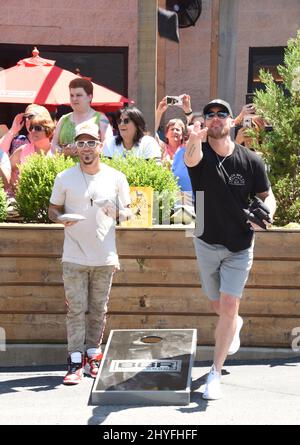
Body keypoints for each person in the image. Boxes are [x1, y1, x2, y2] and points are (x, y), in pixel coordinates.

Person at [184, 99, 276, 400]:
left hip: (239, 244)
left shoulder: (251, 160)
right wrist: (193, 138)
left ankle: (214, 372)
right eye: (209, 115)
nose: (214, 118)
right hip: (205, 239)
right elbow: (191, 159)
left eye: (220, 114)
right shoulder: (199, 153)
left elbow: (267, 195)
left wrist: (268, 214)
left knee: (228, 305)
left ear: (229, 120)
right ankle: (234, 324)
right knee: (218, 307)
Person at [48, 121, 131, 385]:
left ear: (100, 145)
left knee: (98, 308)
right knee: (75, 309)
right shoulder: (65, 177)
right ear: (76, 147)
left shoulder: (116, 177)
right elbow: (53, 209)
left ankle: (93, 354)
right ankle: (74, 360)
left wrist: (115, 211)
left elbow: (129, 213)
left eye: (91, 143)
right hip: (73, 255)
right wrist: (61, 219)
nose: (86, 148)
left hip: (105, 256)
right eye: (81, 143)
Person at [51, 78, 113, 156]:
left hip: (91, 167)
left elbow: (109, 146)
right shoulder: (64, 119)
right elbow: (53, 145)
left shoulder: (101, 119)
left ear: (90, 97)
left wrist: (85, 150)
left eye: (79, 95)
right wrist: (63, 152)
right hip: (64, 166)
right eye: (72, 95)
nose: (74, 99)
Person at [9, 110, 55, 196]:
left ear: (48, 130)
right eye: (31, 128)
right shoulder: (23, 150)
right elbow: (7, 168)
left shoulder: (57, 151)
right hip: (27, 201)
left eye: (37, 128)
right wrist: (15, 187)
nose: (33, 131)